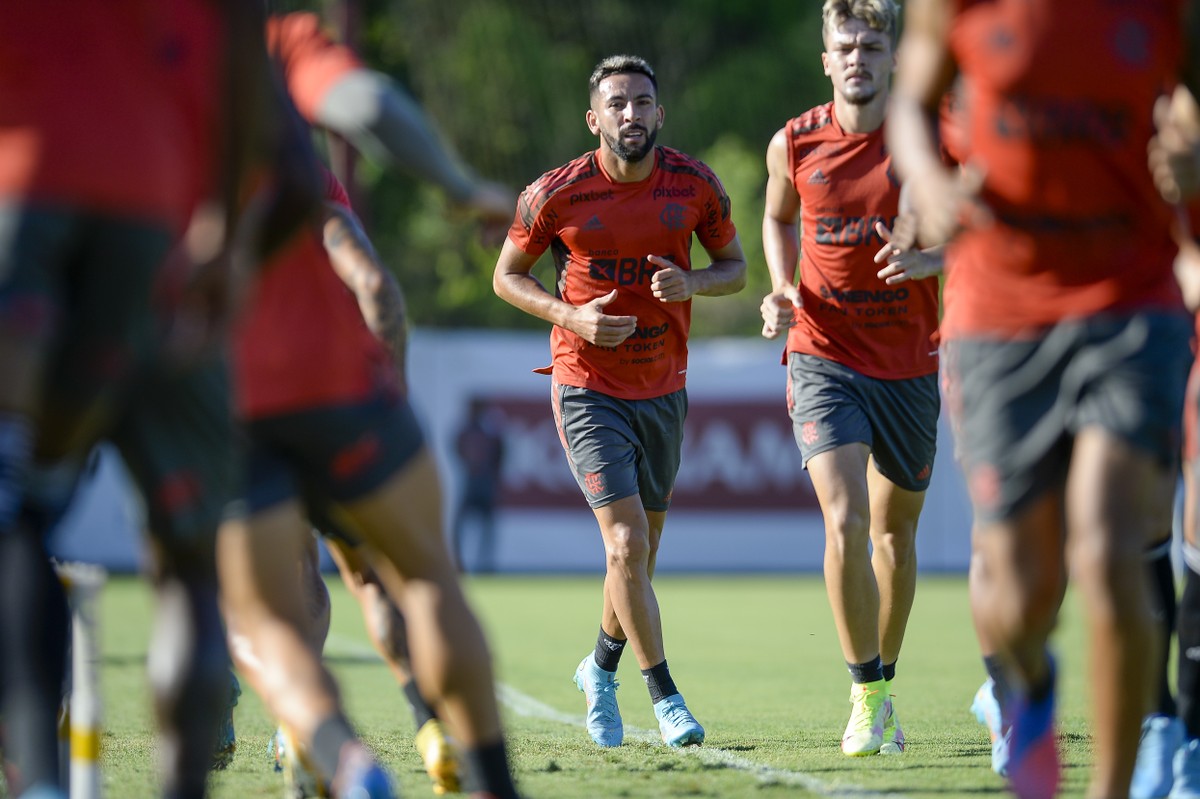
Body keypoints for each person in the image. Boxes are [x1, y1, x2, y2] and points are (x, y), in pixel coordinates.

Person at [888, 1, 1200, 796]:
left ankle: (1116, 783)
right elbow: (912, 108)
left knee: (1106, 545)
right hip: (1000, 312)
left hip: (1131, 300)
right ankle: (1026, 686)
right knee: (1023, 593)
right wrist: (930, 183)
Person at [0, 4, 312, 799]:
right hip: (162, 245)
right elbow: (301, 176)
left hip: (22, 213)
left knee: (19, 511)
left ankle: (37, 779)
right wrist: (226, 244)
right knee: (188, 573)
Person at [217, 163, 522, 799]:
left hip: (244, 412)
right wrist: (393, 404)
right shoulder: (306, 179)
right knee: (399, 580)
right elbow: (377, 288)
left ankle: (311, 739)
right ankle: (438, 733)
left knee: (267, 603)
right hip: (348, 407)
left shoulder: (172, 167)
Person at [492, 54, 747, 749]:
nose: (630, 114)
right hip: (585, 384)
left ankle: (598, 668)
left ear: (659, 114)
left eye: (642, 102)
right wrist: (570, 318)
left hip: (664, 386)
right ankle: (665, 696)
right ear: (594, 118)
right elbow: (505, 276)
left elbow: (736, 268)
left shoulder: (695, 185)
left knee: (638, 552)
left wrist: (693, 284)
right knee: (627, 541)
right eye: (617, 103)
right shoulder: (556, 192)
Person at [758, 0, 943, 758]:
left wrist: (936, 260)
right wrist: (780, 283)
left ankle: (884, 685)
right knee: (845, 520)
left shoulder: (931, 137)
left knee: (895, 535)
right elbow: (775, 217)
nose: (859, 57)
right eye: (845, 46)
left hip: (909, 360)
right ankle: (865, 696)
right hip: (822, 352)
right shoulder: (794, 140)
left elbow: (988, 224)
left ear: (896, 55)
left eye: (872, 43)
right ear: (826, 60)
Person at [453, 398, 506, 574]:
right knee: (460, 525)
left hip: (485, 483)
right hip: (471, 483)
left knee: (487, 527)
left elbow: (501, 451)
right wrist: (469, 466)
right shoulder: (466, 430)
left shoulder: (490, 430)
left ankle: (485, 564)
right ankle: (458, 561)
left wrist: (493, 472)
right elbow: (456, 447)